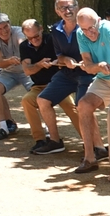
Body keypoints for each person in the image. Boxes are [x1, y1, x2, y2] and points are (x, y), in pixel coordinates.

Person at [37, 0, 102, 157]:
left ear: (77, 7)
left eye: (70, 6)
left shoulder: (87, 27)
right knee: (42, 100)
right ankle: (55, 141)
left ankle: (99, 147)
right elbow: (59, 55)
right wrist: (66, 60)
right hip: (67, 74)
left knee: (83, 106)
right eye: (63, 8)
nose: (67, 10)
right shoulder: (55, 30)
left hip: (87, 74)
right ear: (57, 11)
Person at [19, 19, 81, 155]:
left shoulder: (53, 40)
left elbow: (64, 59)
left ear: (41, 29)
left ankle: (90, 142)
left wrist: (57, 62)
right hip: (38, 87)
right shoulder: (24, 46)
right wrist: (40, 64)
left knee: (72, 107)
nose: (34, 40)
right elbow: (27, 70)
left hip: (58, 84)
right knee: (26, 101)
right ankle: (40, 140)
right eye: (30, 38)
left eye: (36, 36)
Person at [75, 8, 110, 174]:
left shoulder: (109, 29)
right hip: (103, 78)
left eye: (91, 28)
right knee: (83, 105)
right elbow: (87, 66)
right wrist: (98, 66)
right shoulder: (80, 34)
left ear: (99, 21)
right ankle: (90, 157)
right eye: (84, 29)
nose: (89, 33)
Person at [0, 14, 32, 140]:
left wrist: (21, 56)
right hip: (9, 72)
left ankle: (46, 129)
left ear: (9, 24)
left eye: (5, 27)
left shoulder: (18, 32)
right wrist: (11, 61)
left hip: (26, 70)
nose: (3, 31)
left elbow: (23, 45)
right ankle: (4, 127)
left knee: (36, 92)